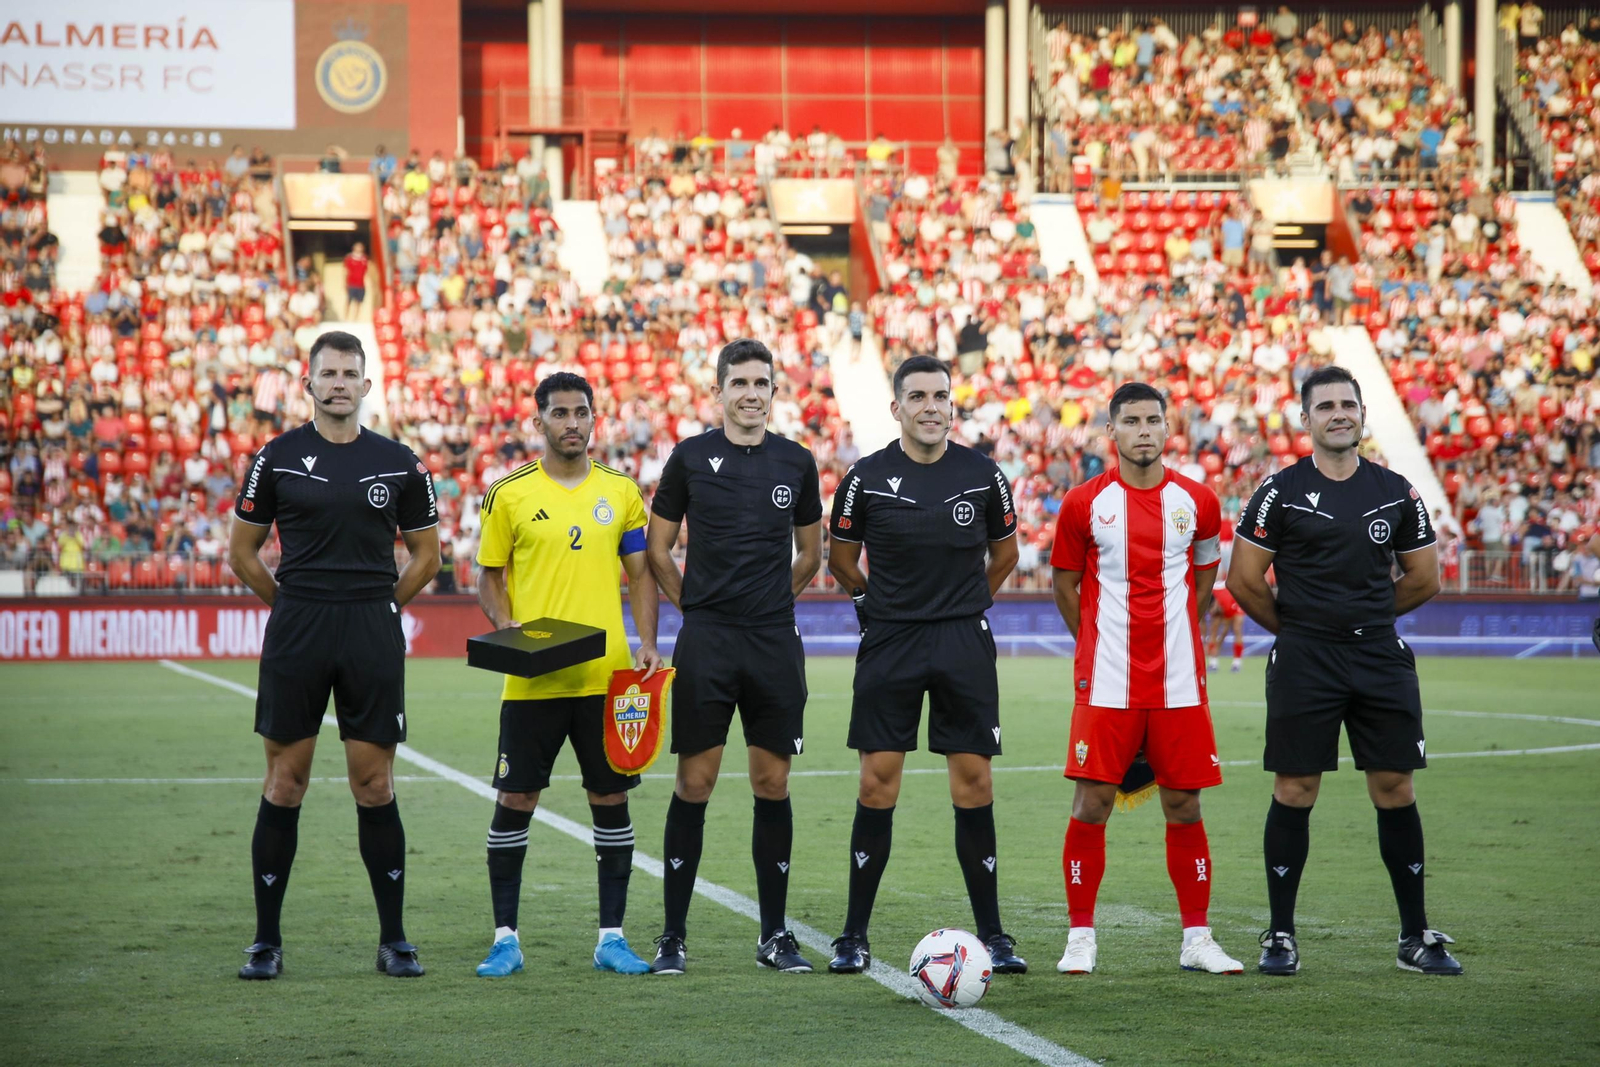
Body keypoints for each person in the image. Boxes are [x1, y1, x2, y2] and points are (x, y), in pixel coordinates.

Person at [1227, 365, 1460, 977]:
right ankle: (1280, 935)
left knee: (1395, 788)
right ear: (1305, 420)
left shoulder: (1394, 489)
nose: (1339, 414)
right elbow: (1244, 580)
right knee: (1295, 790)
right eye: (1325, 405)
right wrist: (1299, 629)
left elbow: (1425, 577)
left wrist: (1368, 619)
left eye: (1348, 405)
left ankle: (1414, 936)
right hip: (1306, 658)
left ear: (1361, 415)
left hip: (1379, 656)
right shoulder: (1278, 490)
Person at [227, 330, 441, 980]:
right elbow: (242, 551)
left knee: (374, 784)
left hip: (370, 630)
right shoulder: (277, 457)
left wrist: (382, 606)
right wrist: (291, 605)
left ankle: (395, 939)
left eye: (351, 372)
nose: (340, 382)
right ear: (309, 383)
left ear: (366, 385)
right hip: (299, 629)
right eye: (329, 372)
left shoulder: (400, 461)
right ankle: (266, 941)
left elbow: (428, 556)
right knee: (284, 783)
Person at [824, 355, 1026, 976]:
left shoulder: (982, 474)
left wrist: (965, 606)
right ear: (897, 408)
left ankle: (994, 936)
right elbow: (841, 558)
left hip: (963, 641)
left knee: (975, 783)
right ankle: (854, 936)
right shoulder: (865, 476)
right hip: (891, 642)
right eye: (919, 397)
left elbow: (1005, 552)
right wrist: (873, 603)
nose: (932, 406)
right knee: (876, 782)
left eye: (941, 396)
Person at [472, 372, 664, 979]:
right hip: (533, 683)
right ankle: (506, 938)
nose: (573, 423)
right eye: (560, 414)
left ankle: (612, 937)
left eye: (583, 413)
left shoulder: (622, 492)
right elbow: (489, 578)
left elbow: (640, 575)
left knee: (609, 799)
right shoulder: (509, 494)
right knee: (516, 798)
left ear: (594, 420)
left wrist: (649, 643)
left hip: (606, 680)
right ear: (539, 422)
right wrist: (512, 641)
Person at [1049, 382, 1244, 977]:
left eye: (1152, 420)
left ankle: (1197, 938)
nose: (1142, 430)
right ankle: (1081, 936)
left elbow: (1206, 582)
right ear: (1112, 432)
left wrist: (1176, 631)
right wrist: (1096, 646)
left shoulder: (1199, 502)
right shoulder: (1084, 503)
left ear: (1167, 429)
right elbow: (1065, 586)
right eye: (1130, 420)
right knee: (1092, 803)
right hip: (1107, 681)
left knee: (1185, 805)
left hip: (1180, 683)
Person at [644, 338, 824, 975]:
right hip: (709, 640)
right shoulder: (691, 457)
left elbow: (810, 552)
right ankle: (672, 935)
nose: (752, 394)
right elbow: (658, 549)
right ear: (717, 391)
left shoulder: (797, 462)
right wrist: (694, 607)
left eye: (762, 383)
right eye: (740, 383)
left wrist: (775, 599)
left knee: (771, 782)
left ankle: (774, 936)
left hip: (774, 641)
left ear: (774, 392)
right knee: (695, 782)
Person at [1207, 586, 1246, 672]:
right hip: (1216, 592)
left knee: (1237, 629)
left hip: (1232, 592)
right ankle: (1213, 662)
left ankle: (1237, 663)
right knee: (1215, 631)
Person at [344, 243, 370, 319]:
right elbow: (345, 271)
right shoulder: (349, 258)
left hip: (361, 284)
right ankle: (346, 317)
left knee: (358, 302)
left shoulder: (364, 259)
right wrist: (345, 283)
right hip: (351, 283)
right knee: (349, 301)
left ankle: (355, 318)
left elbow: (366, 271)